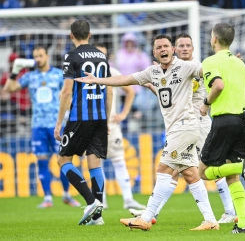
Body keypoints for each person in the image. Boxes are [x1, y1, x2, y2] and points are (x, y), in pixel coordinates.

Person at [76, 34, 221, 231]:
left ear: (173, 50)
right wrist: (98, 80)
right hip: (176, 129)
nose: (163, 50)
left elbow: (209, 70)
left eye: (166, 46)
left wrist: (228, 64)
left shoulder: (186, 67)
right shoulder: (152, 72)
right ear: (154, 52)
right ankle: (210, 220)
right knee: (190, 174)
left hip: (186, 125)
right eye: (159, 47)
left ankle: (146, 217)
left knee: (163, 170)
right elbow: (125, 79)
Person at [130, 33, 237, 224]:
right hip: (182, 125)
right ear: (175, 49)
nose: (185, 48)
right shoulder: (171, 69)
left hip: (200, 123)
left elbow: (214, 84)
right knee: (180, 171)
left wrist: (227, 68)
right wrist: (153, 84)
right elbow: (168, 97)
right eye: (181, 45)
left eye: (188, 45)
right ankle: (152, 214)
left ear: (193, 48)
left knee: (209, 165)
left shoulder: (197, 68)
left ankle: (229, 209)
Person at [198, 22, 245, 234]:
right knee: (230, 177)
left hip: (226, 120)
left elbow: (218, 85)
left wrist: (205, 103)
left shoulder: (210, 61)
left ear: (214, 38)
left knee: (202, 172)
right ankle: (244, 224)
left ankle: (241, 168)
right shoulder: (240, 64)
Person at [4, 46, 81, 208]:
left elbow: (69, 94)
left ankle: (67, 195)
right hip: (37, 125)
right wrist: (15, 71)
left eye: (40, 55)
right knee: (42, 161)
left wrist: (72, 118)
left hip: (57, 124)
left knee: (63, 160)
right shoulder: (30, 76)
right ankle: (47, 198)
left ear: (47, 56)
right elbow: (8, 89)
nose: (38, 59)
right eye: (35, 56)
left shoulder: (59, 74)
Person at [54, 19, 113, 226]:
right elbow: (109, 88)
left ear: (71, 36)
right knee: (94, 162)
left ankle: (91, 203)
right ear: (90, 34)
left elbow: (67, 91)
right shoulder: (101, 56)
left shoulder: (71, 56)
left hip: (80, 116)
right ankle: (97, 217)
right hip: (100, 116)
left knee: (63, 160)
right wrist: (107, 117)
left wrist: (59, 122)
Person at [93, 42, 146, 210]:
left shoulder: (112, 72)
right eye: (98, 54)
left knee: (119, 161)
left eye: (104, 54)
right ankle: (100, 201)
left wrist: (123, 114)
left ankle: (128, 199)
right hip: (92, 127)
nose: (102, 58)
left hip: (111, 126)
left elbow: (130, 91)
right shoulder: (86, 74)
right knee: (95, 163)